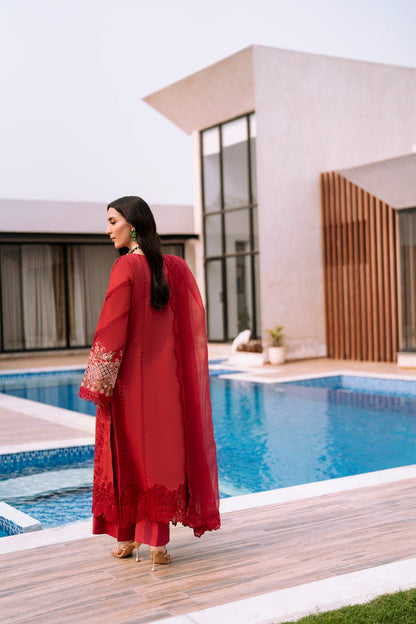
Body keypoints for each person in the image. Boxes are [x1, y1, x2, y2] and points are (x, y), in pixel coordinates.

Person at [79, 196, 220, 569]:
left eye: (113, 221)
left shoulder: (126, 267)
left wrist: (98, 383)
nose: (108, 230)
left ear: (133, 224)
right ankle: (156, 544)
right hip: (168, 383)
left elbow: (112, 329)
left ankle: (127, 539)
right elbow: (191, 324)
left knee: (126, 458)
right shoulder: (176, 267)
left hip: (129, 386)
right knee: (159, 460)